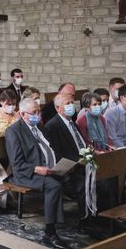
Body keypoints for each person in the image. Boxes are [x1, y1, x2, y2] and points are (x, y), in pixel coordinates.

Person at [5, 98, 70, 249]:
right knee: (53, 186)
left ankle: (83, 221)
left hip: (47, 168)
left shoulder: (40, 127)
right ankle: (50, 232)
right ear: (22, 114)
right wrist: (37, 169)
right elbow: (17, 163)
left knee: (75, 178)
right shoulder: (14, 131)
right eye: (34, 113)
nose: (38, 115)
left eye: (39, 111)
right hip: (25, 173)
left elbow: (50, 148)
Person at [43, 93, 87, 221]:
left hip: (83, 164)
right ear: (58, 108)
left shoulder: (72, 123)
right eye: (67, 104)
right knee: (84, 184)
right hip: (69, 170)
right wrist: (78, 161)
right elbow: (56, 154)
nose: (71, 106)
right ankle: (86, 221)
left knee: (108, 179)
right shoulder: (52, 126)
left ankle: (102, 216)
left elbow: (81, 145)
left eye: (72, 103)